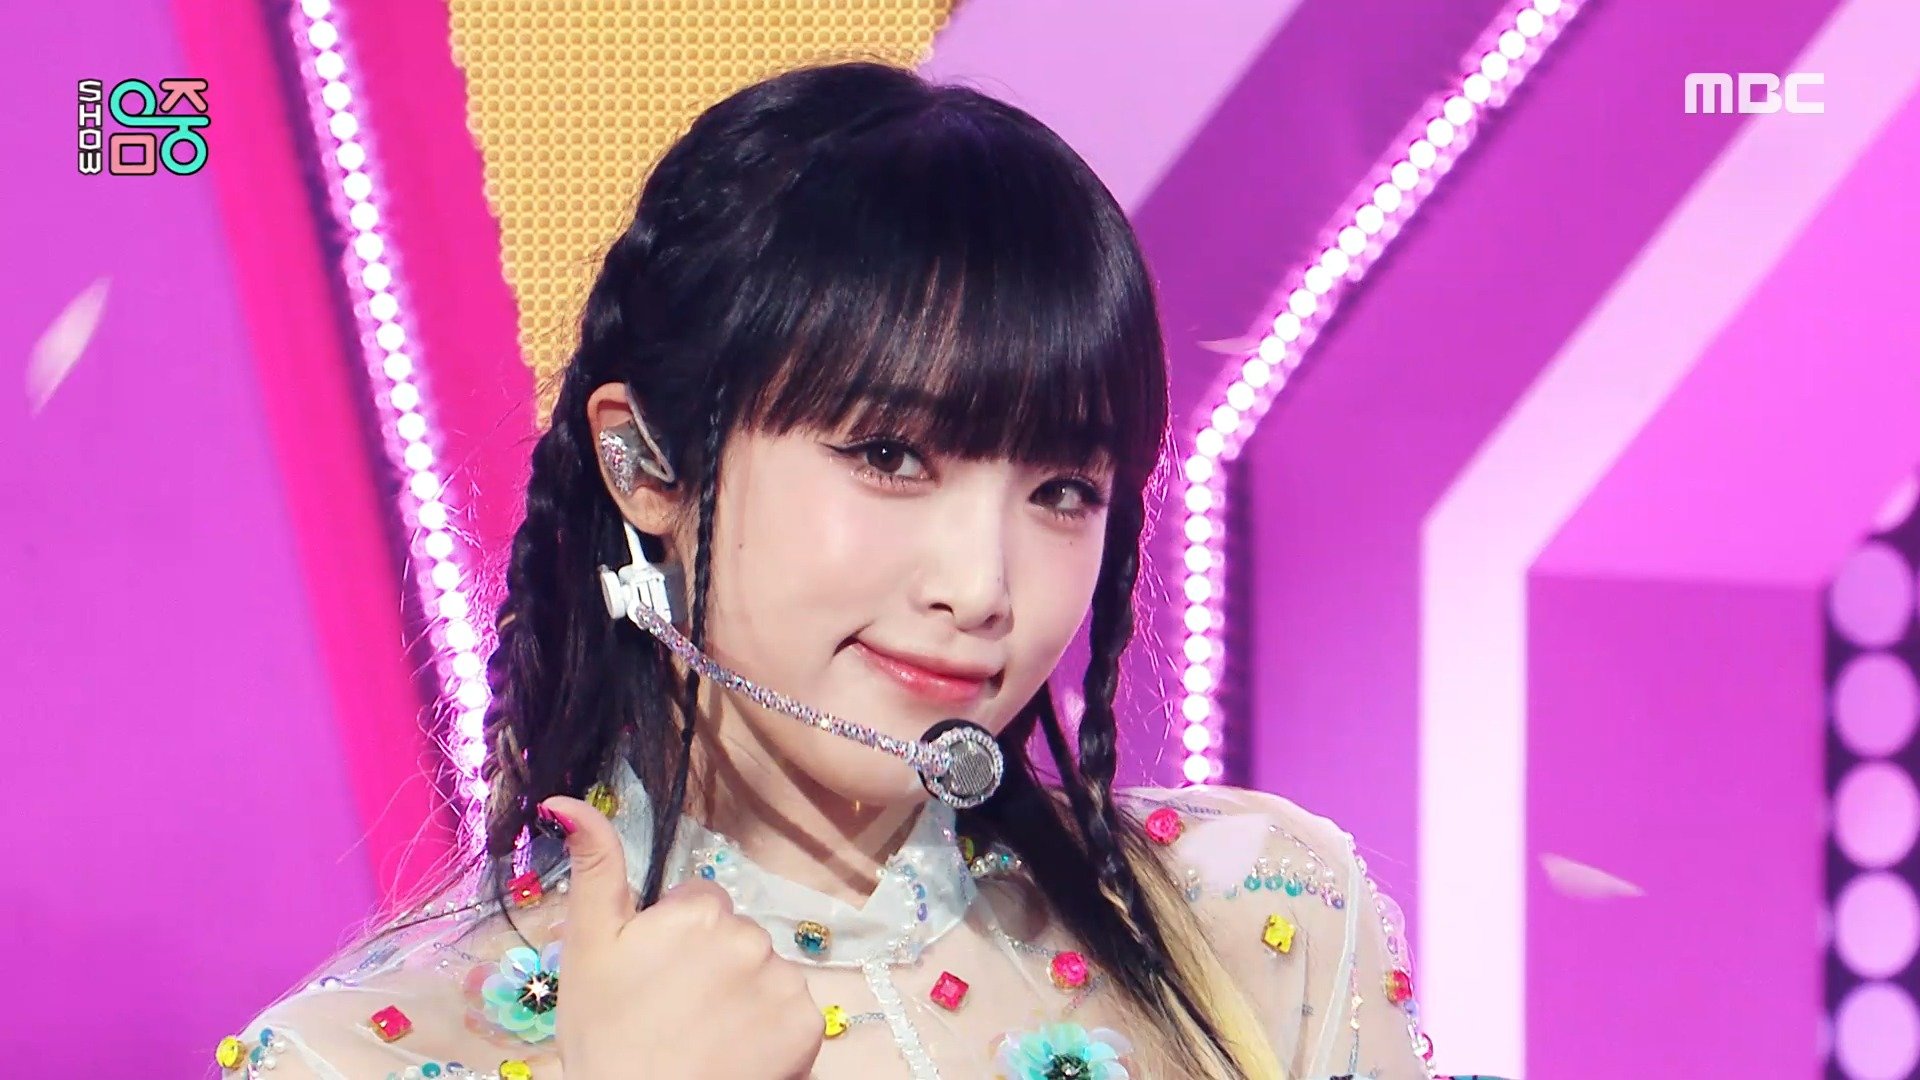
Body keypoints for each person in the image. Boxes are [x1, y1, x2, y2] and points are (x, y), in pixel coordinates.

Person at [214, 61, 1436, 1080]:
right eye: (890, 456)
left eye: (1062, 489)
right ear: (644, 467)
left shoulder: (1257, 922)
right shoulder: (356, 1056)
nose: (982, 589)